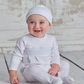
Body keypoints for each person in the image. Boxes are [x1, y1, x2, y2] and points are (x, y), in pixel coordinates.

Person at [9, 5, 74, 84]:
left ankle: (61, 76)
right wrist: (12, 74)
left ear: (49, 25)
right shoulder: (23, 40)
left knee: (64, 63)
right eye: (32, 22)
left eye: (41, 22)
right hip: (31, 73)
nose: (36, 26)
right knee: (32, 68)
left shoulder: (51, 39)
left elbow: (55, 55)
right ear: (27, 23)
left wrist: (55, 67)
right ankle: (52, 80)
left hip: (48, 68)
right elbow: (16, 57)